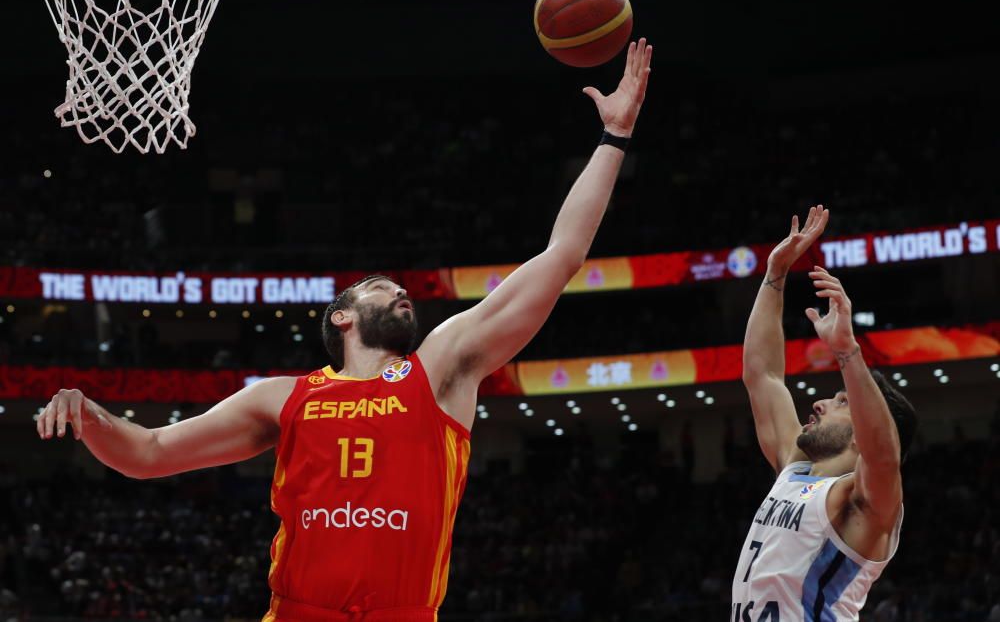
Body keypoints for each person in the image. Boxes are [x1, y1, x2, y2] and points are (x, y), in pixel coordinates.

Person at [36, 38, 654, 621]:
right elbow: (148, 454)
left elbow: (562, 254)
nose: (403, 292)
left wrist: (615, 135)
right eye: (383, 287)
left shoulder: (440, 369)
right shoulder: (280, 396)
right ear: (343, 315)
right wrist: (89, 414)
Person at [733, 205, 917, 621]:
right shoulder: (795, 469)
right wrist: (775, 273)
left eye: (841, 402)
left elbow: (883, 453)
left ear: (863, 432)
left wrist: (846, 352)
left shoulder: (866, 503)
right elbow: (762, 375)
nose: (819, 403)